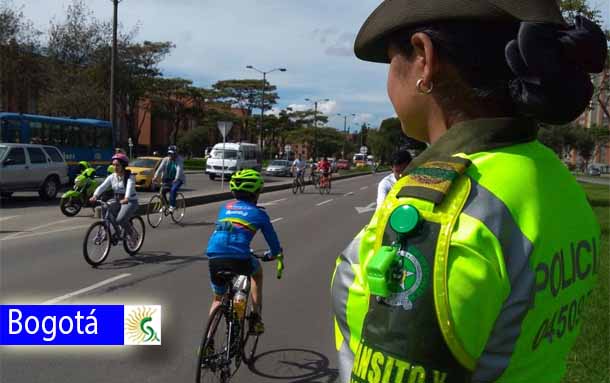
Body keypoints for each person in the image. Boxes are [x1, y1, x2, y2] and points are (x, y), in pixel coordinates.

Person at [330, 2, 606, 383]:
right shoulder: (550, 174)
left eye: (392, 60)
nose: (389, 80)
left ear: (424, 57)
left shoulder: (442, 218)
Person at [205, 169, 283, 336]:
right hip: (240, 257)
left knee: (218, 299)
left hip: (214, 256)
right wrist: (274, 254)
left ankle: (208, 341)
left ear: (234, 191)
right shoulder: (259, 214)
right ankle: (255, 319)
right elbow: (274, 244)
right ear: (257, 193)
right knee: (257, 274)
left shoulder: (225, 208)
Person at [90, 153, 138, 244]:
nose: (115, 167)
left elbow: (129, 187)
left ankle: (132, 234)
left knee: (120, 219)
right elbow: (102, 186)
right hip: (117, 200)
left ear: (123, 166)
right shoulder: (112, 177)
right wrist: (95, 196)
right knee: (104, 207)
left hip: (130, 201)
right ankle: (106, 231)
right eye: (113, 165)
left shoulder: (129, 177)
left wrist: (127, 198)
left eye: (117, 165)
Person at [153, 145, 185, 212]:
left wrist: (176, 178)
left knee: (173, 190)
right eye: (169, 153)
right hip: (168, 179)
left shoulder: (179, 160)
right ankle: (165, 205)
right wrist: (155, 177)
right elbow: (160, 169)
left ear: (175, 153)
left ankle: (172, 206)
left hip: (178, 179)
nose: (170, 155)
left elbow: (179, 169)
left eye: (172, 153)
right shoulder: (165, 159)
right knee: (162, 192)